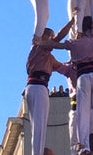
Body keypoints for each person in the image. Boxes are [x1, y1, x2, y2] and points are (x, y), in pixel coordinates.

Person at [39, 16, 93, 155]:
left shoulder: (75, 44)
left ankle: (84, 146)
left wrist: (40, 43)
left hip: (83, 76)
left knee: (82, 114)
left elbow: (56, 46)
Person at [24, 19, 73, 155]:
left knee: (39, 125)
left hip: (37, 87)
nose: (51, 39)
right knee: (38, 124)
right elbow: (58, 38)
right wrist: (72, 22)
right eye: (49, 36)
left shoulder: (47, 57)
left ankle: (38, 151)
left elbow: (63, 68)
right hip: (37, 86)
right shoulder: (39, 48)